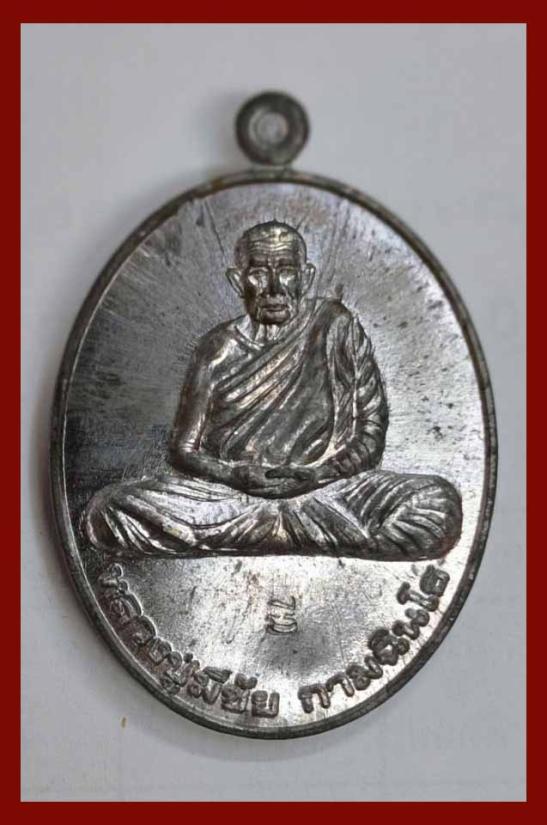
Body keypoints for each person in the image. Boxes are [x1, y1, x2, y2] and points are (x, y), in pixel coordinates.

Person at [84, 221, 462, 560]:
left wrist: (321, 473)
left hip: (326, 494)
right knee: (108, 511)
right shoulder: (217, 349)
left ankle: (277, 533)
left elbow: (370, 435)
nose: (275, 287)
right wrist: (234, 475)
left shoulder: (335, 326)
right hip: (232, 502)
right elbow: (183, 450)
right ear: (238, 281)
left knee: (436, 505)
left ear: (306, 277)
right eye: (259, 273)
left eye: (286, 271)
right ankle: (312, 536)